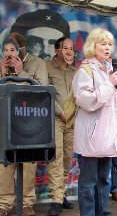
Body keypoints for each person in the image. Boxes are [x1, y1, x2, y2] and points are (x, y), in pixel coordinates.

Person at [72, 28, 117, 216]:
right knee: (89, 182)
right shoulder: (85, 70)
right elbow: (86, 100)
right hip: (91, 137)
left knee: (104, 180)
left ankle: (103, 213)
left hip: (109, 136)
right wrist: (109, 84)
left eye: (110, 44)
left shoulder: (113, 71)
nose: (107, 48)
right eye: (102, 43)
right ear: (92, 45)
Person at [0, 32, 48, 216]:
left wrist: (21, 72)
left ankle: (26, 203)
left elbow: (43, 92)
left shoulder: (37, 64)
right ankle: (2, 204)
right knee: (4, 166)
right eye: (6, 49)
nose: (10, 53)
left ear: (22, 49)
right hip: (6, 126)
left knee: (28, 165)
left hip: (29, 124)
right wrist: (2, 73)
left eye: (13, 48)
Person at [46, 37, 77, 216]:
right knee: (56, 159)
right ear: (57, 50)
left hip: (72, 121)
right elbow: (46, 93)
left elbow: (78, 96)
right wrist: (61, 113)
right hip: (56, 120)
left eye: (71, 48)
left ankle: (61, 191)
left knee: (67, 159)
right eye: (65, 48)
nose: (69, 51)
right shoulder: (47, 66)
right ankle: (56, 199)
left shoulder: (75, 71)